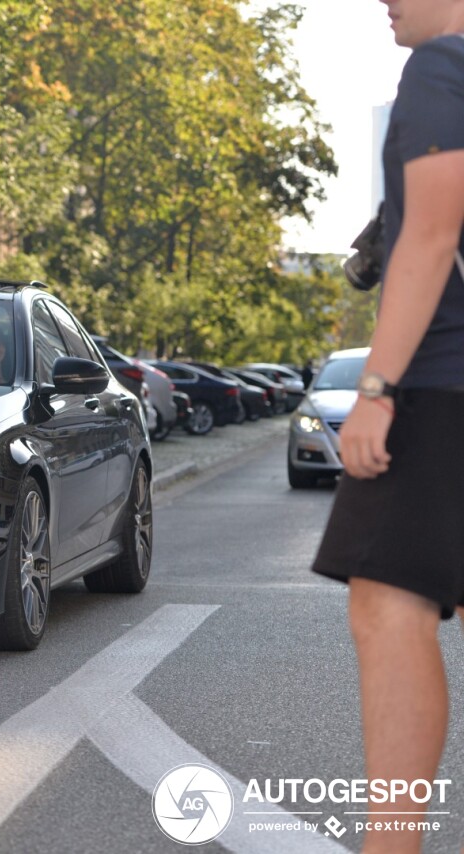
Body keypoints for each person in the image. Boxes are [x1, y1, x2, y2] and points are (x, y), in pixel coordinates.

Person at [311, 3, 464, 852]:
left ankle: (391, 845)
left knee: (387, 604)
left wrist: (376, 385)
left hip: (443, 385)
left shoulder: (445, 67)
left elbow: (434, 232)